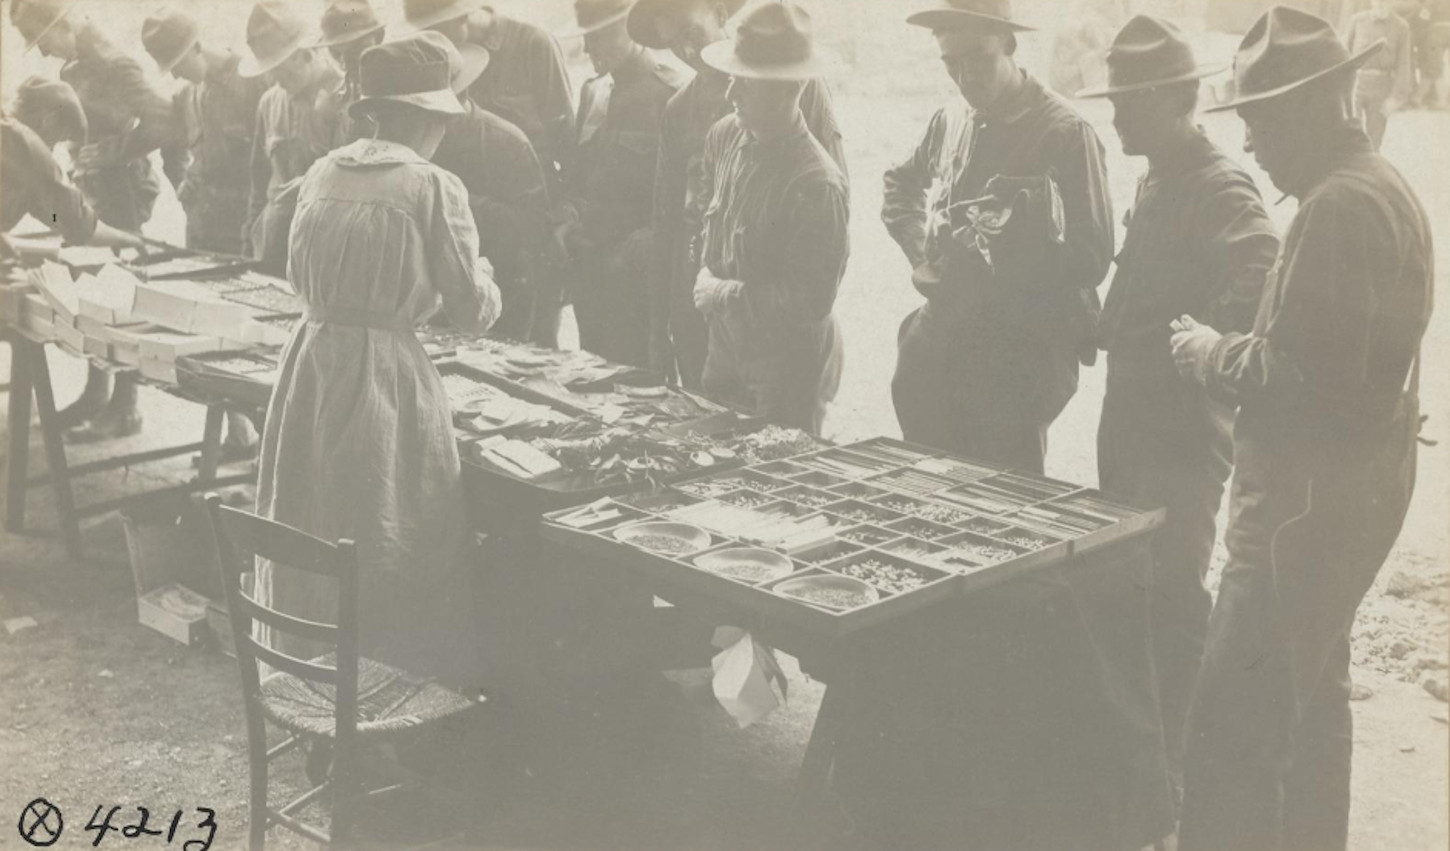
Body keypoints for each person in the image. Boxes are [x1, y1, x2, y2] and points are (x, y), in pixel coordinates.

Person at [1169, 9, 1432, 850]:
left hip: (1298, 513)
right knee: (1314, 705)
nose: (1251, 143)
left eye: (1260, 120)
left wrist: (1210, 350)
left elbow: (1296, 380)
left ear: (1318, 105)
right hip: (1346, 501)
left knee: (1227, 733)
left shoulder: (1337, 208)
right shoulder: (1376, 186)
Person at [1077, 14, 1280, 808]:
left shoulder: (1220, 183)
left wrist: (1198, 344)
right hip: (1128, 425)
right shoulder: (1157, 172)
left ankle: (1188, 791)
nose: (1117, 114)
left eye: (1130, 101)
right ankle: (1146, 780)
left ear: (1173, 100)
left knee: (1171, 605)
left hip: (1181, 438)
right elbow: (1137, 287)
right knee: (1132, 599)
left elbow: (1262, 273)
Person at [255, 31, 502, 685]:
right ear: (426, 117)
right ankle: (385, 694)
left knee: (313, 518)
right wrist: (486, 273)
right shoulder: (431, 185)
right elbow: (472, 311)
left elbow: (292, 271)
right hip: (384, 377)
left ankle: (314, 679)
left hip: (310, 361)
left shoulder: (321, 170)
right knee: (388, 530)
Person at [884, 0, 1114, 474]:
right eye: (952, 63)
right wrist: (921, 255)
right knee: (929, 476)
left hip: (1019, 346)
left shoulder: (1065, 132)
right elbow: (899, 184)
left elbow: (1092, 256)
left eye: (979, 58)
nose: (966, 77)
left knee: (1005, 490)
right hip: (945, 332)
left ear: (1009, 46)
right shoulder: (950, 119)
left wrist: (1009, 252)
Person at [628, 0, 848, 389]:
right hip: (699, 304)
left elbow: (829, 214)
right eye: (674, 44)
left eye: (691, 33)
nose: (688, 51)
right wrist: (656, 330)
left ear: (718, 11)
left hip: (770, 315)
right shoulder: (681, 110)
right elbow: (665, 225)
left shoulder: (799, 85)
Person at [10, 0, 177, 441]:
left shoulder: (116, 64)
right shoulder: (73, 68)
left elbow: (165, 119)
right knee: (89, 287)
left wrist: (113, 151)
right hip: (86, 190)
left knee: (122, 294)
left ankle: (126, 406)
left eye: (46, 41)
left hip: (120, 190)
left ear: (64, 24)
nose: (45, 53)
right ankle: (95, 393)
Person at [692, 2, 849, 434]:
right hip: (724, 354)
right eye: (731, 79)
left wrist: (724, 294)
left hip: (785, 371)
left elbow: (809, 301)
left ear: (788, 88)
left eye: (746, 84)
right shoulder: (724, 136)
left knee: (777, 482)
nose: (730, 94)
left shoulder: (817, 184)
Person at [402, 0, 576, 346]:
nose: (436, 42)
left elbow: (567, 143)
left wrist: (563, 221)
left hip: (527, 226)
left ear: (462, 15)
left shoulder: (532, 45)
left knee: (531, 350)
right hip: (467, 241)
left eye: (438, 30)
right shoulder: (443, 70)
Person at [142, 6, 270, 462]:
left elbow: (266, 159)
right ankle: (240, 437)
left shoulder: (255, 82)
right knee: (209, 338)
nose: (178, 74)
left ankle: (269, 444)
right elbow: (174, 151)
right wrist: (185, 192)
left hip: (245, 226)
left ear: (198, 46)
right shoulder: (188, 95)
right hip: (204, 225)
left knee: (254, 337)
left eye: (180, 62)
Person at [559, 0, 685, 366]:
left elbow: (686, 194)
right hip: (590, 267)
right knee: (594, 376)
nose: (586, 48)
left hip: (636, 273)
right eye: (585, 36)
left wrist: (653, 238)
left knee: (644, 386)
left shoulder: (670, 94)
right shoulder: (592, 91)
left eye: (596, 35)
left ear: (628, 28)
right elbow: (578, 178)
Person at [431, 37, 553, 341]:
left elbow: (534, 228)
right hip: (437, 292)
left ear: (463, 96)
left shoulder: (508, 143)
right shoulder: (422, 139)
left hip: (505, 293)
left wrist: (461, 205)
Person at [242, 0, 343, 258]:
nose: (276, 81)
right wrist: (251, 236)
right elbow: (258, 178)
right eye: (270, 73)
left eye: (281, 71)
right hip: (275, 241)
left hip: (325, 243)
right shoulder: (269, 102)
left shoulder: (342, 97)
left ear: (304, 53)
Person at [2, 112, 143, 260]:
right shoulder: (25, 145)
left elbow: (54, 215)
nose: (55, 146)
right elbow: (80, 227)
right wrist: (132, 240)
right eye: (62, 137)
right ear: (48, 120)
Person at [314, 0, 387, 146]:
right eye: (336, 53)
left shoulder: (403, 91)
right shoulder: (334, 100)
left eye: (355, 51)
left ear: (378, 38)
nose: (345, 64)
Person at [1345, 0, 1414, 148]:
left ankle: (1369, 169)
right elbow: (1343, 54)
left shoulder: (1401, 27)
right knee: (1349, 132)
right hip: (1356, 83)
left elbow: (1404, 65)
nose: (1381, 4)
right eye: (1377, 1)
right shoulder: (1357, 20)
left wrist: (1395, 97)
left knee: (1374, 139)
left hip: (1382, 86)